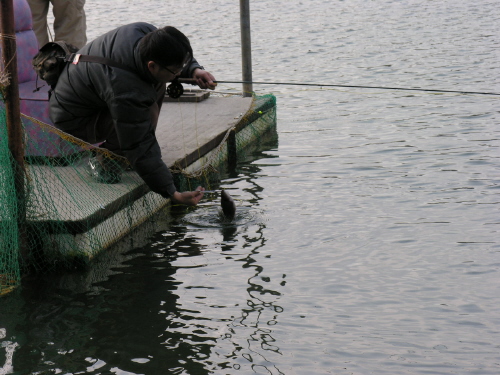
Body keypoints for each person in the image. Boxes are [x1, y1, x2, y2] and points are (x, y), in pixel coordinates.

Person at [49, 22, 217, 206]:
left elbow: (171, 56)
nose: (178, 74)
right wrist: (172, 193)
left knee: (157, 84)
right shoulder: (125, 89)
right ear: (151, 65)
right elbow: (139, 142)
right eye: (176, 71)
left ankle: (125, 155)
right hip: (75, 118)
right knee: (136, 121)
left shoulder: (143, 32)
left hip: (92, 94)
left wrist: (194, 70)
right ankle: (105, 160)